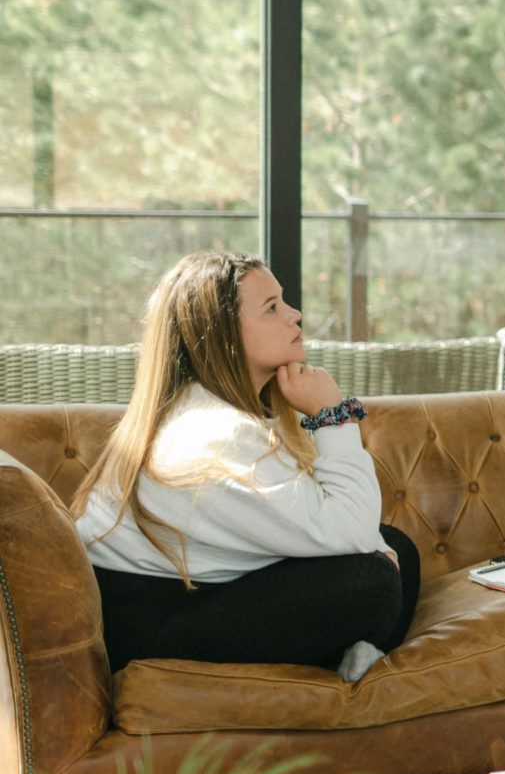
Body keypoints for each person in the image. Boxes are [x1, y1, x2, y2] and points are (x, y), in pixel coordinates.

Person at [74, 251, 418, 677]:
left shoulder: (222, 413)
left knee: (397, 549)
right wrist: (334, 416)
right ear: (225, 336)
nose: (295, 316)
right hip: (152, 624)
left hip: (193, 592)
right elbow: (349, 529)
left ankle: (353, 655)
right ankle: (353, 660)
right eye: (272, 308)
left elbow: (349, 530)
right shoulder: (215, 434)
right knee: (375, 582)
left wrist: (375, 546)